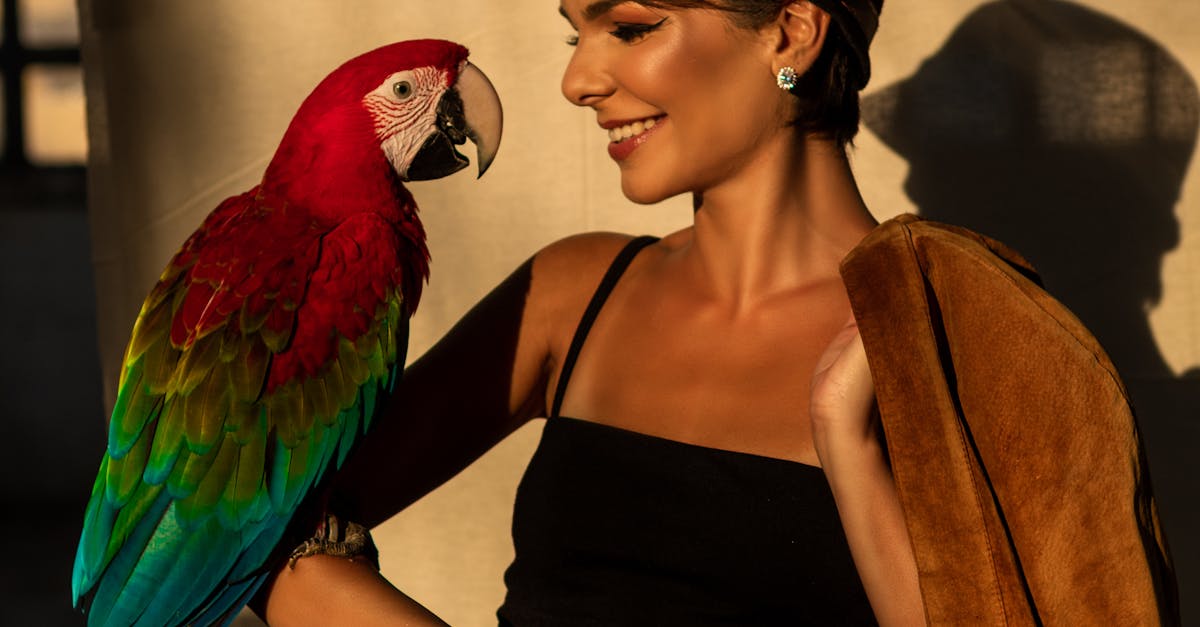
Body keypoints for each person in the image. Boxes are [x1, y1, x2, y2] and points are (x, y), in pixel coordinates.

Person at [258, 0, 926, 624]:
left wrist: (849, 440)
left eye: (632, 28)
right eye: (575, 35)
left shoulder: (937, 321)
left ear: (791, 34)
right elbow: (250, 540)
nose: (576, 82)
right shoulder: (571, 293)